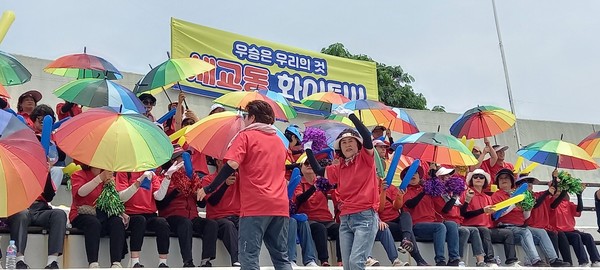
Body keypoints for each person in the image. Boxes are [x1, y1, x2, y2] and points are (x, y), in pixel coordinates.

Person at [197, 100, 291, 270]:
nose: (244, 119)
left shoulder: (246, 135)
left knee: (249, 258)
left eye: (246, 116)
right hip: (280, 205)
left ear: (253, 117)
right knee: (281, 259)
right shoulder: (279, 141)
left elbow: (232, 164)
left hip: (256, 204)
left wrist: (209, 188)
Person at [303, 106, 380, 270]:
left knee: (356, 263)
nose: (347, 144)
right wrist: (308, 149)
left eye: (351, 141)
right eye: (343, 143)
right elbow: (318, 171)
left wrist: (351, 116)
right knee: (347, 266)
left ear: (358, 144)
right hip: (345, 220)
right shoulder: (339, 168)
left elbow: (367, 138)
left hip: (365, 217)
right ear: (340, 149)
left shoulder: (365, 159)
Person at [6, 105, 67, 269]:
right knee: (22, 214)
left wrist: (45, 172)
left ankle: (52, 261)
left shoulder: (45, 164)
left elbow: (48, 196)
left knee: (59, 214)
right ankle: (19, 259)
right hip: (20, 207)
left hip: (40, 208)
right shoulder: (15, 165)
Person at [156, 145, 218, 267]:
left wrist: (197, 193)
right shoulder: (165, 177)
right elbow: (160, 204)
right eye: (181, 158)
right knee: (185, 223)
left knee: (211, 224)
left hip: (192, 216)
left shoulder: (191, 177)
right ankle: (187, 261)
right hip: (172, 216)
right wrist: (177, 191)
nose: (185, 161)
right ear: (173, 161)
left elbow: (202, 204)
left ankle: (206, 260)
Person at [491, 168, 568, 267]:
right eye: (501, 179)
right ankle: (535, 260)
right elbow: (498, 214)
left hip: (520, 226)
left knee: (541, 232)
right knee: (525, 232)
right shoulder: (496, 195)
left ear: (511, 181)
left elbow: (526, 216)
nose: (503, 180)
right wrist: (514, 202)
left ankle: (553, 259)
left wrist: (528, 208)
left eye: (506, 178)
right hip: (506, 227)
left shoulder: (521, 194)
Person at [70, 164, 127, 268]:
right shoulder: (79, 174)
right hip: (82, 214)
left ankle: (116, 262)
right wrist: (100, 178)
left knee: (117, 222)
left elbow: (112, 201)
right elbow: (80, 193)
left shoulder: (108, 178)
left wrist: (121, 213)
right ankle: (93, 263)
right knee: (93, 223)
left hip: (103, 214)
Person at [401, 166, 460, 266]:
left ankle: (454, 259)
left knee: (452, 225)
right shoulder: (405, 191)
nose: (413, 174)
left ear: (420, 177)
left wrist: (454, 194)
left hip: (432, 224)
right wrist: (423, 192)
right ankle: (440, 260)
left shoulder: (428, 191)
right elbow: (410, 204)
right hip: (417, 225)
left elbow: (444, 208)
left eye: (415, 172)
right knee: (440, 227)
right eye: (409, 173)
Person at [461, 169, 520, 267]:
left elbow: (492, 217)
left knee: (508, 233)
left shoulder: (488, 198)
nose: (478, 178)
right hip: (473, 228)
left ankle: (511, 261)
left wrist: (502, 212)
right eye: (475, 177)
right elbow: (464, 214)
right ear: (472, 180)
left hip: (488, 228)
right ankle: (489, 260)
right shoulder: (467, 193)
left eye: (481, 177)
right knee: (484, 230)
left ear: (485, 181)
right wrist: (481, 210)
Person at [115, 171, 171, 268]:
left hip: (150, 214)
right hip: (131, 214)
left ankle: (163, 262)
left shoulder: (151, 174)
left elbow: (159, 196)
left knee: (162, 223)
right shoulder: (124, 172)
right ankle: (134, 262)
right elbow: (122, 197)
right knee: (140, 221)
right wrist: (139, 181)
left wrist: (167, 178)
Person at [293, 157, 342, 266]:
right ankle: (324, 261)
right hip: (310, 218)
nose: (309, 165)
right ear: (301, 167)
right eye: (306, 163)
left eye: (312, 163)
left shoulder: (322, 181)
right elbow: (300, 199)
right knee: (320, 229)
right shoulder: (299, 183)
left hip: (326, 219)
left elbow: (336, 187)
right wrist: (314, 187)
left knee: (340, 228)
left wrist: (336, 169)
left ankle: (341, 261)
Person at [433, 167, 486, 266]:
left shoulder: (451, 193)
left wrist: (467, 200)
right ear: (439, 178)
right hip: (445, 222)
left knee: (474, 230)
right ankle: (455, 258)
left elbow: (461, 212)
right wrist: (455, 196)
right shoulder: (437, 193)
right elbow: (445, 210)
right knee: (463, 230)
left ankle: (480, 260)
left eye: (449, 175)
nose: (448, 177)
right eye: (445, 176)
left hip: (457, 223)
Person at [520, 174, 572, 265]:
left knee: (560, 234)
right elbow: (536, 204)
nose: (529, 184)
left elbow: (554, 198)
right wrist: (547, 192)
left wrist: (559, 181)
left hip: (543, 227)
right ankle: (553, 260)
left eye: (530, 182)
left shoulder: (538, 194)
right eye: (525, 182)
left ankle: (568, 262)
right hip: (530, 227)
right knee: (551, 234)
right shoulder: (522, 197)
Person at [201, 159, 241, 267]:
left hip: (238, 216)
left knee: (250, 223)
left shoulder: (239, 178)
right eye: (227, 162)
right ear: (218, 162)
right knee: (228, 225)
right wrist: (225, 185)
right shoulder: (207, 179)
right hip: (218, 217)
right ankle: (237, 259)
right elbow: (212, 201)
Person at [550, 181, 600, 267]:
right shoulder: (550, 203)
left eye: (560, 191)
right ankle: (583, 261)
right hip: (559, 231)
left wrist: (579, 195)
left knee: (588, 236)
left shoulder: (567, 203)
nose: (559, 193)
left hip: (570, 230)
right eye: (558, 191)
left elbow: (578, 210)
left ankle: (596, 260)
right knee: (576, 237)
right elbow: (554, 202)